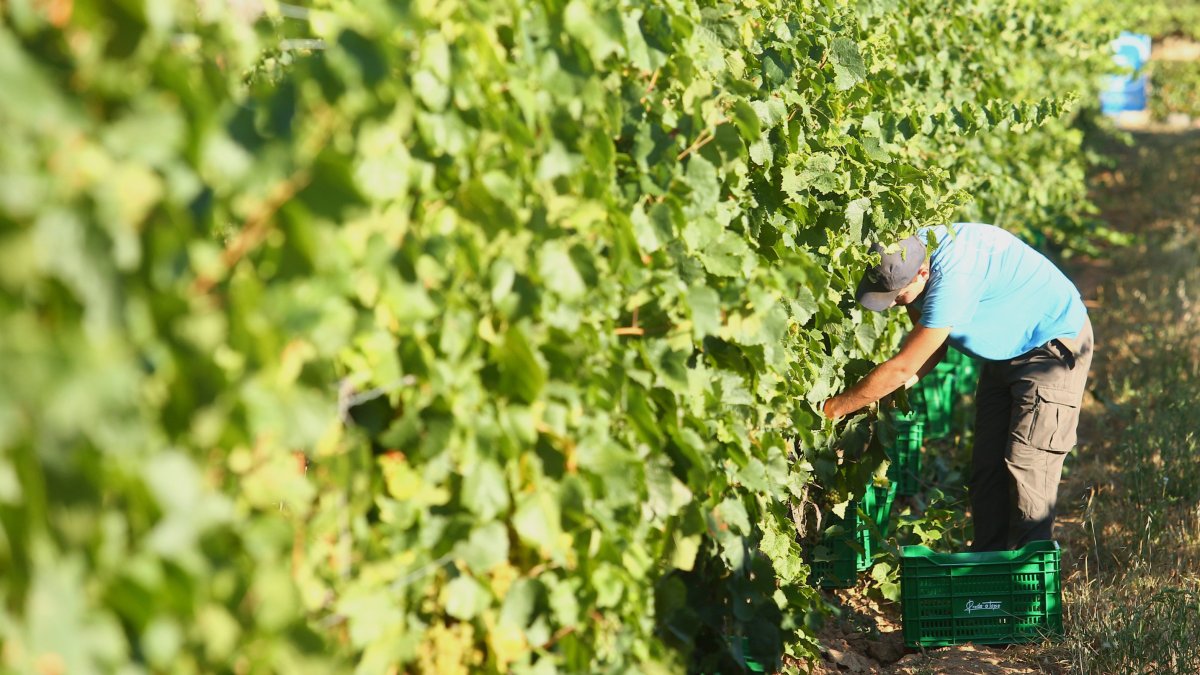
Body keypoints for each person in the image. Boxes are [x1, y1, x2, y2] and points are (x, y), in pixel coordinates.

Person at [821, 222, 1093, 552]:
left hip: (1051, 344)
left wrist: (832, 410)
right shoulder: (908, 252)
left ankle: (1027, 579)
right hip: (1006, 348)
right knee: (987, 468)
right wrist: (881, 397)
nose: (892, 304)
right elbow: (930, 351)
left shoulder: (953, 281)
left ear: (922, 274)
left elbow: (905, 364)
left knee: (1027, 465)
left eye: (896, 296)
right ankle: (989, 569)